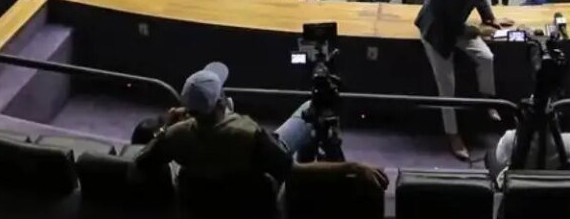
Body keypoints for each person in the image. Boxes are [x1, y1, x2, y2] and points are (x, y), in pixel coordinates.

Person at [134, 62, 388, 203]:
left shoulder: (175, 136)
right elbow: (295, 173)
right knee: (311, 109)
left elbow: (140, 164)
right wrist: (353, 167)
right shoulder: (248, 134)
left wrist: (168, 125)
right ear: (221, 100)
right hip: (259, 179)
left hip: (210, 204)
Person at [416, 0, 513, 159]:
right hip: (436, 33)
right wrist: (481, 31)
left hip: (452, 23)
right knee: (447, 87)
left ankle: (487, 100)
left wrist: (490, 18)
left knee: (487, 57)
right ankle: (453, 135)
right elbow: (454, 28)